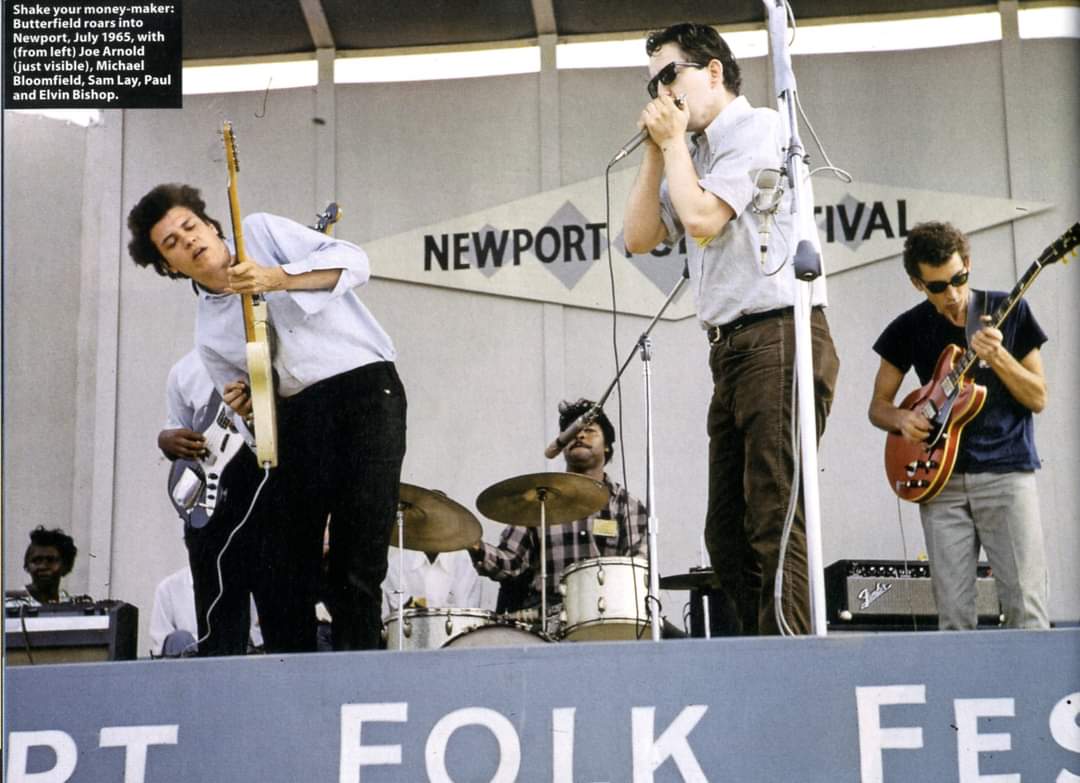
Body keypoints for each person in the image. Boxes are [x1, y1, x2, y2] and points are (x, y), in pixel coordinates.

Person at [622, 23, 839, 635]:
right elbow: (638, 236)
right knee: (726, 531)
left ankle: (791, 657)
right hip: (731, 350)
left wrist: (672, 145)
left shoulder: (759, 129)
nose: (662, 91)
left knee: (775, 509)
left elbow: (700, 219)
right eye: (653, 83)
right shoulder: (690, 154)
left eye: (671, 75)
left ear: (713, 70)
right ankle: (757, 653)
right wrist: (656, 150)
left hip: (779, 333)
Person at [128, 183, 407, 652]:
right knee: (284, 570)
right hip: (299, 416)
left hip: (364, 391)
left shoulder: (258, 231)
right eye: (171, 243)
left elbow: (355, 262)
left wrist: (275, 277)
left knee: (357, 563)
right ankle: (292, 682)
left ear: (211, 225)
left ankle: (358, 679)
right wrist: (252, 411)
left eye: (190, 226)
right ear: (168, 266)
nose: (188, 241)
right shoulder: (208, 336)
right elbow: (258, 432)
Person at [868, 221, 1050, 630]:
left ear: (967, 264)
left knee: (1027, 610)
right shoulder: (908, 327)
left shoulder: (1009, 310)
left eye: (958, 279)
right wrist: (902, 418)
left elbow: (1039, 397)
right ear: (918, 284)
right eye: (937, 287)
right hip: (939, 482)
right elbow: (878, 407)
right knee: (953, 619)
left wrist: (998, 357)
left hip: (1006, 473)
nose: (951, 294)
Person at [469, 399, 648, 617]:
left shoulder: (627, 506)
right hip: (545, 619)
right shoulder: (538, 498)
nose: (579, 436)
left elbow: (636, 572)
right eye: (572, 432)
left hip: (606, 615)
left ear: (607, 445)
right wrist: (473, 544)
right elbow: (510, 563)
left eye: (589, 431)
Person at [158, 348, 266, 656]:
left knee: (277, 612)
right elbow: (177, 426)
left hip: (264, 494)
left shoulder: (268, 356)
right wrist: (166, 442)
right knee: (217, 618)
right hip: (210, 508)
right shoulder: (184, 370)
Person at [148, 566, 264, 657]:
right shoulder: (168, 588)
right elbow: (161, 647)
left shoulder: (243, 583)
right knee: (179, 639)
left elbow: (257, 639)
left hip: (234, 662)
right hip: (188, 669)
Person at [381, 549, 483, 619]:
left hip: (456, 642)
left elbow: (466, 618)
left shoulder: (466, 563)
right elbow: (401, 615)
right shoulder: (396, 565)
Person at [7, 526, 78, 606]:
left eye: (51, 560)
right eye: (36, 560)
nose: (43, 566)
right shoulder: (11, 604)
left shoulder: (68, 601)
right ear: (27, 566)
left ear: (66, 566)